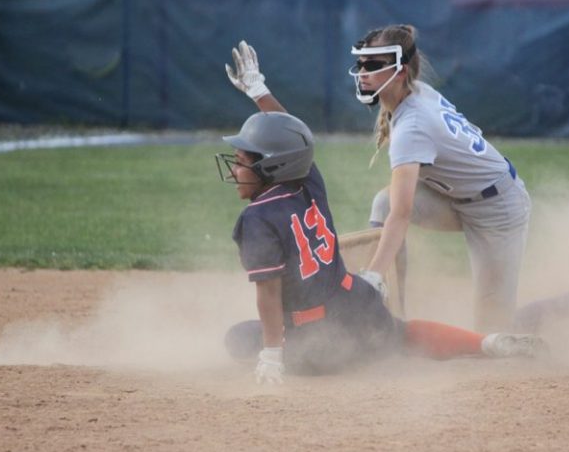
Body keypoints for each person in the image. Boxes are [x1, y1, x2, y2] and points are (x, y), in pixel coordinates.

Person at [224, 29, 533, 334]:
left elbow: (402, 214)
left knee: (494, 325)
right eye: (361, 65)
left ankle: (561, 308)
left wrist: (373, 275)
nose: (362, 73)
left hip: (498, 209)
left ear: (399, 71)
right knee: (383, 203)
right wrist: (259, 93)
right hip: (457, 198)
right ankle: (390, 313)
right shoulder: (412, 93)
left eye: (373, 66)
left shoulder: (412, 126)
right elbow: (297, 141)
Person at [215, 104, 547, 384]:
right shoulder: (308, 183)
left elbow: (269, 295)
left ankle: (349, 361)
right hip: (359, 305)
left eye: (243, 160)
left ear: (271, 165)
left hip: (319, 342)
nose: (235, 169)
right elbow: (295, 142)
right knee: (400, 334)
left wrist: (273, 355)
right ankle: (485, 343)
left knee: (238, 337)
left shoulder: (256, 219)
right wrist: (260, 93)